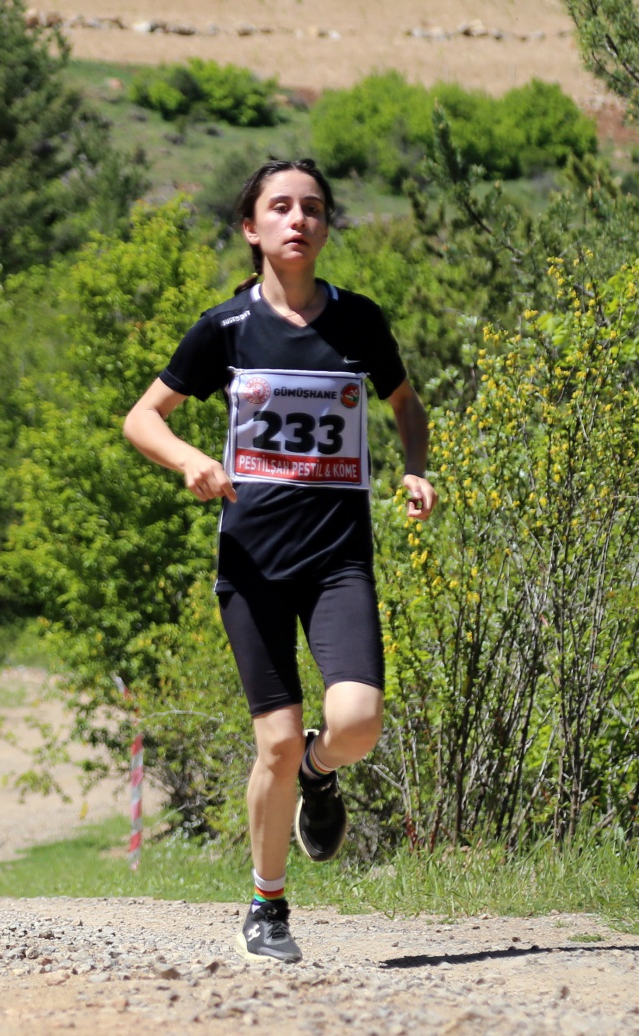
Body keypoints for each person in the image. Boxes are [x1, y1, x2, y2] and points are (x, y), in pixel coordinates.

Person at [122, 159, 437, 963]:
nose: (299, 220)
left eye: (314, 209)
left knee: (357, 722)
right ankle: (267, 906)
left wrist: (414, 467)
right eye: (281, 207)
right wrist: (190, 459)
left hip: (338, 558)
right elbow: (142, 418)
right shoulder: (225, 329)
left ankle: (323, 777)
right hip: (254, 563)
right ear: (251, 228)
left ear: (326, 227)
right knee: (275, 743)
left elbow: (405, 404)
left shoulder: (359, 323)